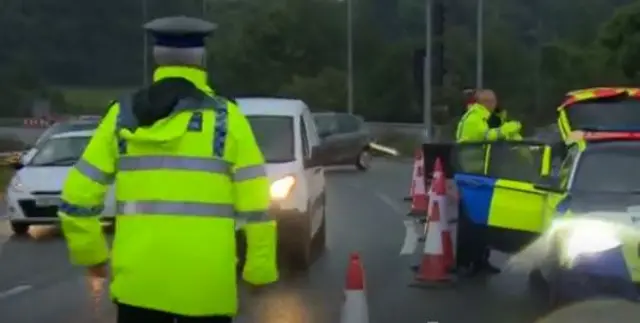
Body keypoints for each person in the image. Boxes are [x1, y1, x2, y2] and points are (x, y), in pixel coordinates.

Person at [58, 16, 278, 323]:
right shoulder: (228, 121)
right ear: (202, 60)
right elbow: (256, 205)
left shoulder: (120, 118)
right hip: (206, 287)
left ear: (155, 59)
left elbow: (76, 199)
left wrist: (92, 257)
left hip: (138, 287)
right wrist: (259, 268)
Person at [454, 89, 521, 276]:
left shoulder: (488, 117)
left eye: (494, 101)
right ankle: (465, 263)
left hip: (484, 175)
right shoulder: (475, 117)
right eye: (490, 101)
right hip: (472, 175)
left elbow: (505, 139)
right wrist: (506, 129)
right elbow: (487, 136)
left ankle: (481, 260)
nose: (493, 104)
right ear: (482, 102)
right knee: (471, 222)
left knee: (484, 222)